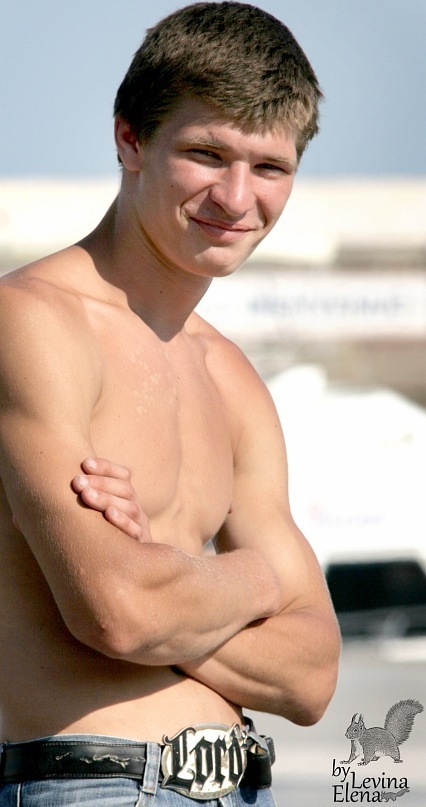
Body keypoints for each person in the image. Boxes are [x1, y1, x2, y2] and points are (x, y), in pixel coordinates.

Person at [0, 2, 341, 805]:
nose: (236, 196)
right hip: (96, 784)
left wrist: (166, 574)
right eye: (205, 153)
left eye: (270, 167)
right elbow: (118, 612)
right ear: (130, 139)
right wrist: (256, 578)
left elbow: (313, 675)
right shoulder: (32, 322)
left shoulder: (231, 376)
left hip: (246, 787)